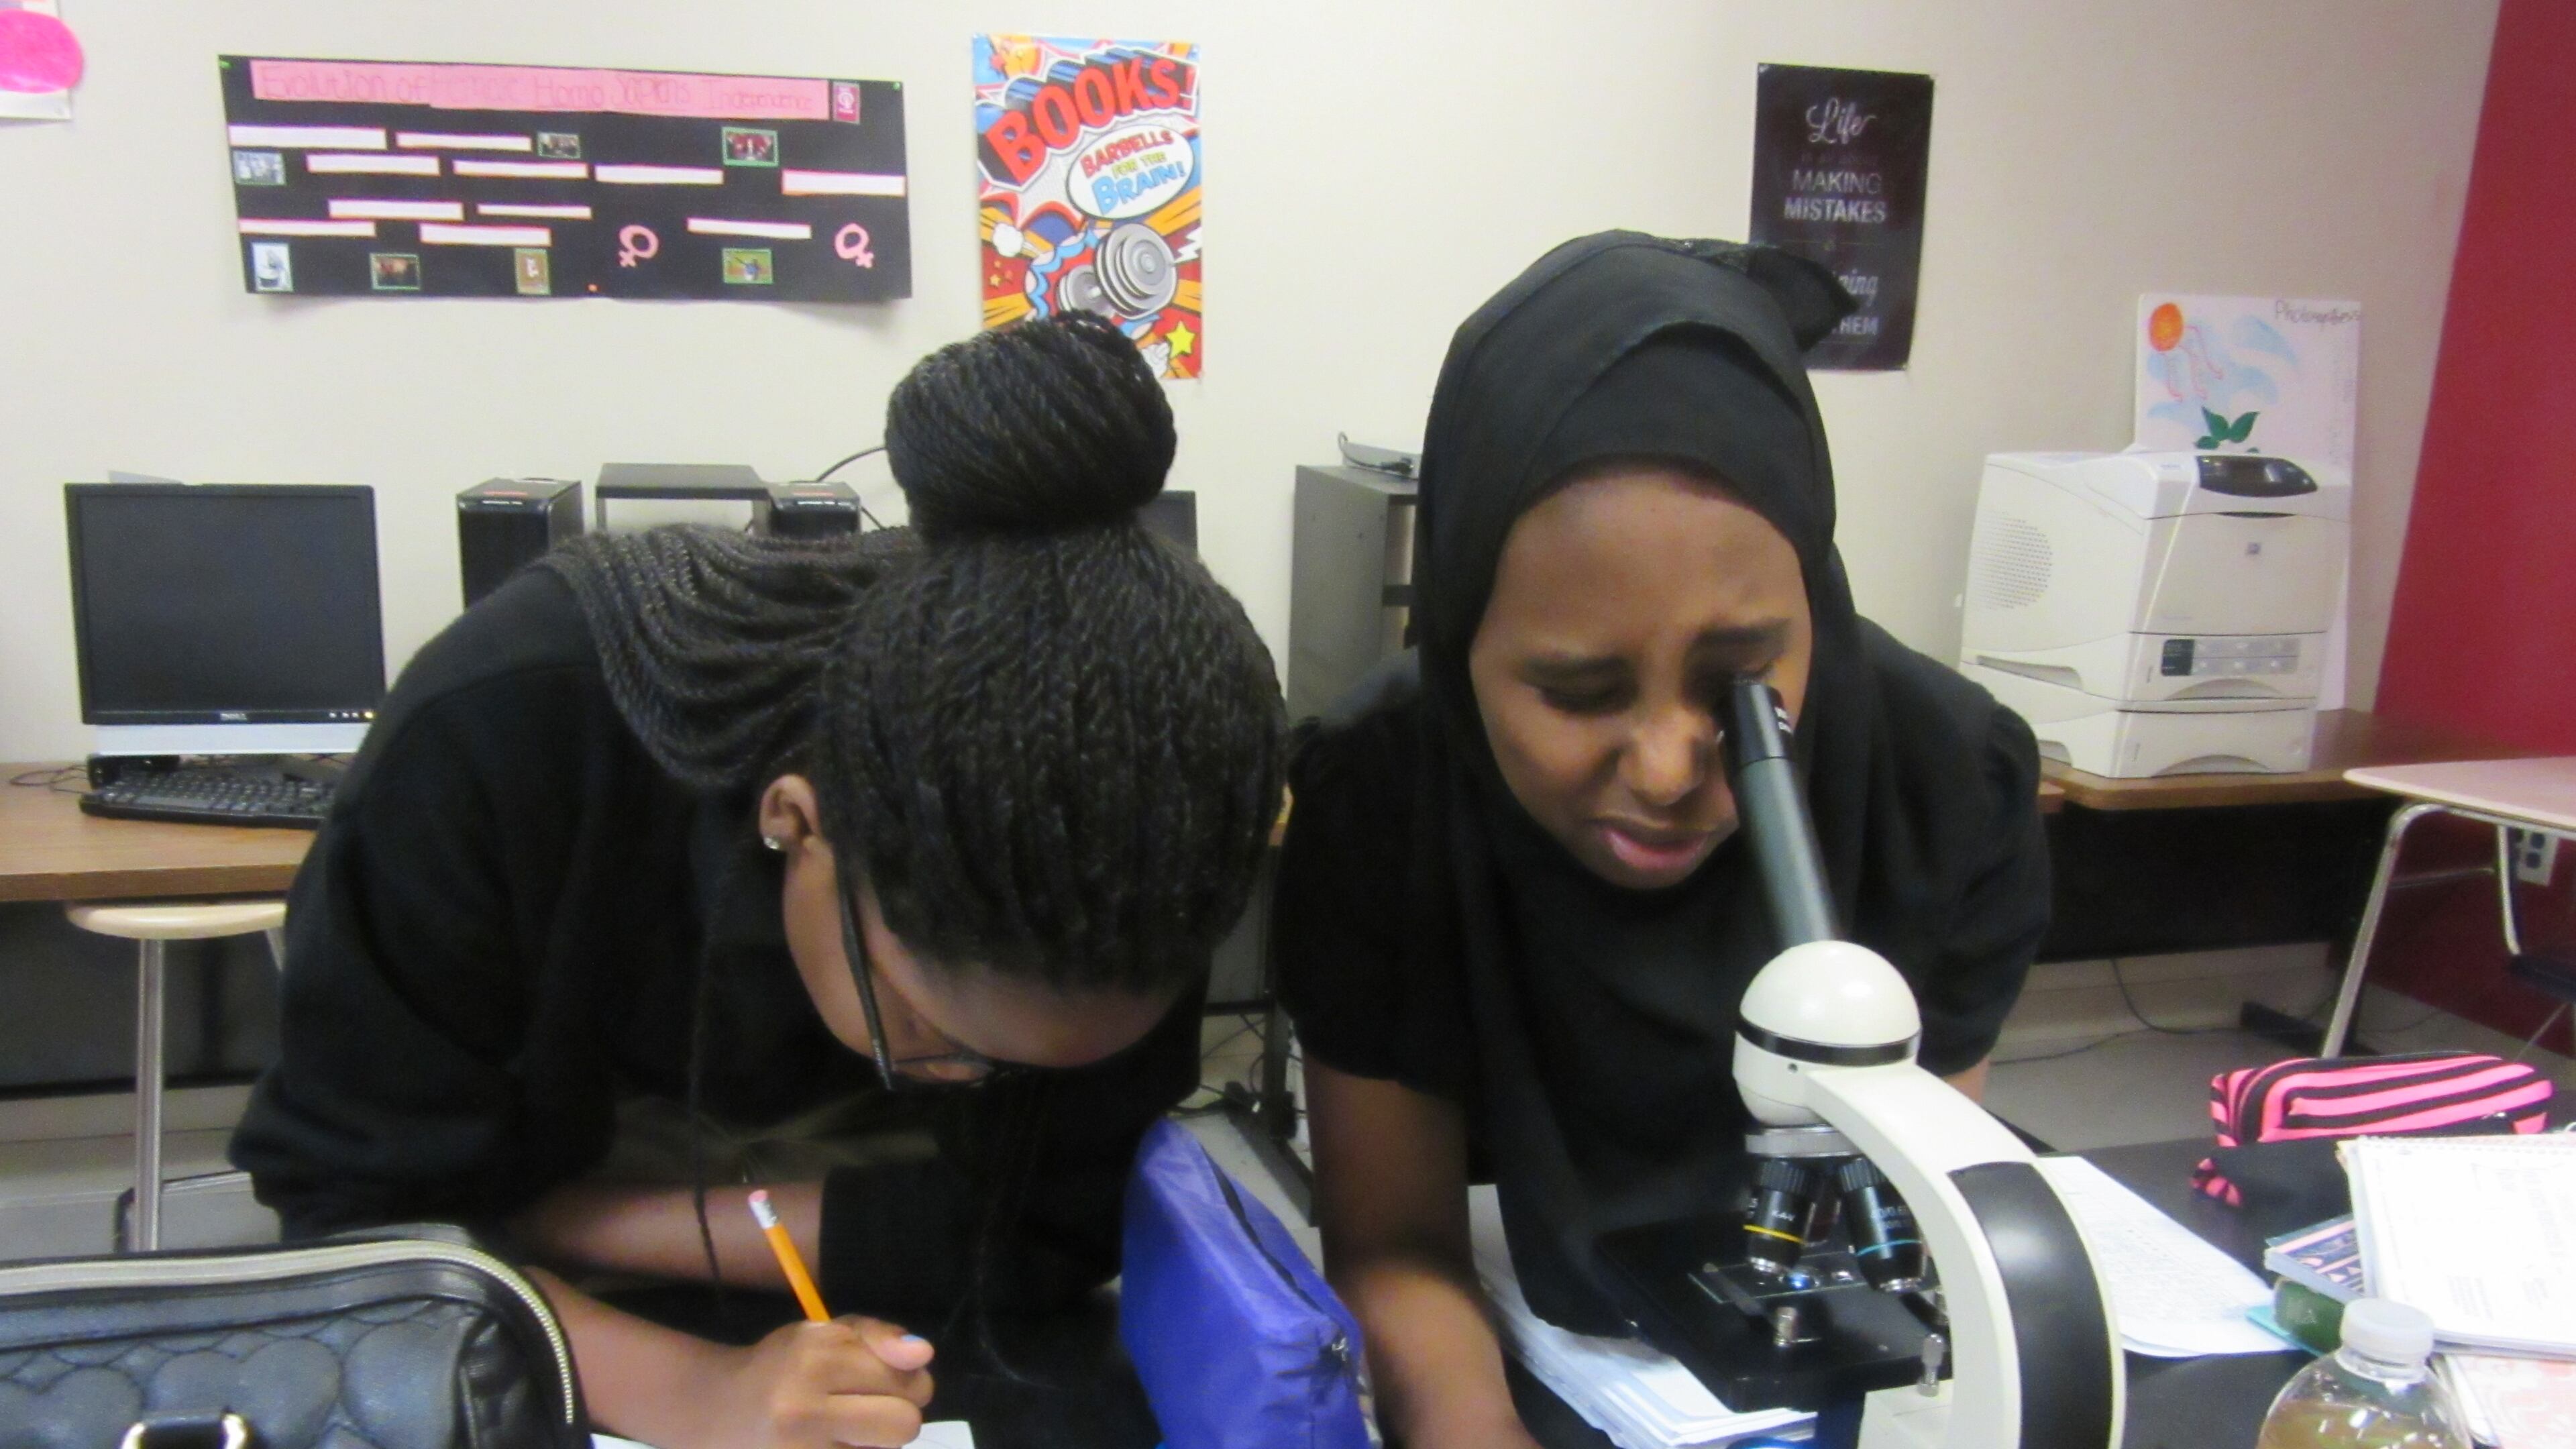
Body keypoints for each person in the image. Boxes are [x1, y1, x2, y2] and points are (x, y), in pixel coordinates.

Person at [232, 313, 1286, 1449]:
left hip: (912, 1333)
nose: (967, 1084)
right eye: (926, 1041)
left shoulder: (1140, 818)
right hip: (519, 1328)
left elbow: (1050, 1225)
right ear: (797, 820)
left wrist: (567, 1219)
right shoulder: (505, 739)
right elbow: (365, 1233)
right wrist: (696, 1392)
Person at [1272, 233, 2049, 1448]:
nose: (1670, 770)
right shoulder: (1385, 794)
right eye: (1580, 692)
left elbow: (1912, 1232)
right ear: (1462, 633)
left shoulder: (1941, 779)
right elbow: (1396, 1246)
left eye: (1740, 683)